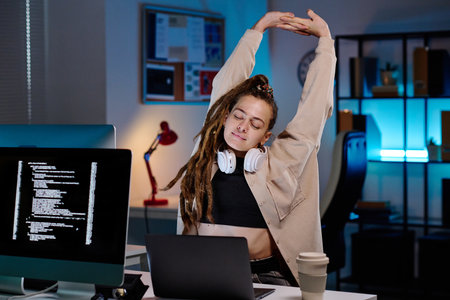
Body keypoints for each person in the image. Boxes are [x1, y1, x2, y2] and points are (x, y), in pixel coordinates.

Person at [164, 9, 336, 286]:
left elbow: (315, 110)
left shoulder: (283, 160)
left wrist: (325, 41)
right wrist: (259, 29)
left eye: (255, 124)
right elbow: (224, 86)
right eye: (238, 116)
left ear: (265, 136)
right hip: (202, 272)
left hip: (263, 277)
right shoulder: (206, 153)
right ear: (225, 117)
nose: (242, 127)